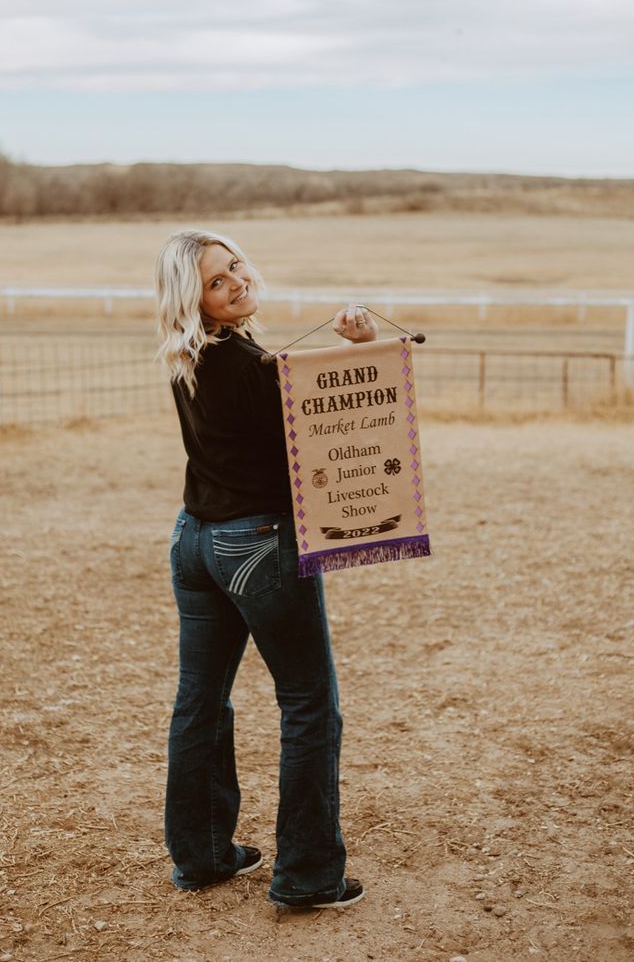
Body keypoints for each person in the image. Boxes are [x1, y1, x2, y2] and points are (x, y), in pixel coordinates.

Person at [154, 229, 378, 908]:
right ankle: (308, 874)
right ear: (197, 300)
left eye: (235, 266)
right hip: (255, 544)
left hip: (195, 541)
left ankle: (201, 855)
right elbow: (318, 425)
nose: (236, 282)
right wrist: (360, 353)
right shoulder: (249, 366)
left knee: (200, 699)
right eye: (217, 282)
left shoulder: (189, 355)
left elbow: (271, 381)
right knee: (309, 703)